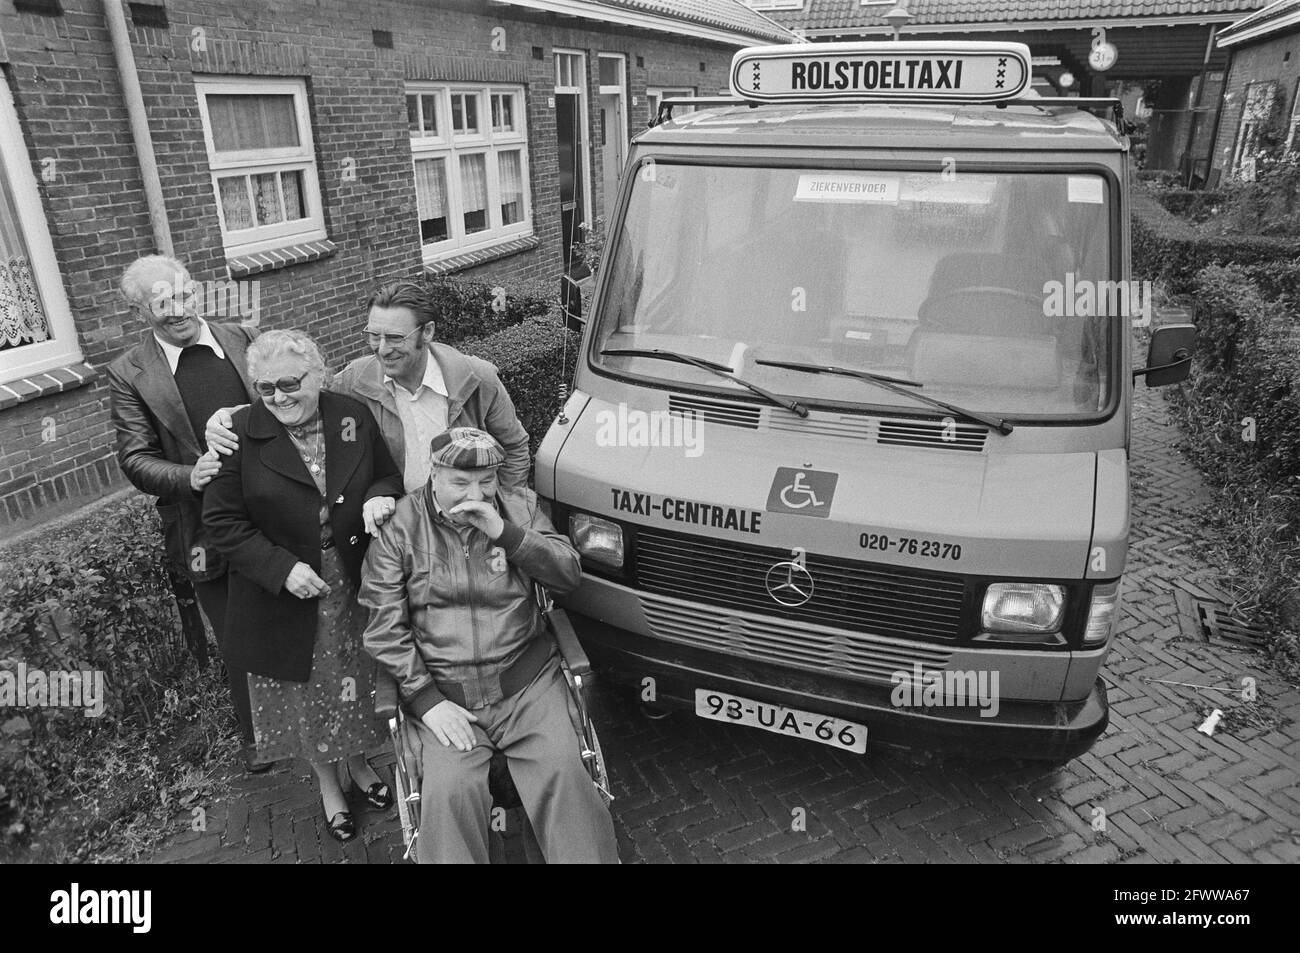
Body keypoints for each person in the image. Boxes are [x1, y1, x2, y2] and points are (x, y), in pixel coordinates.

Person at [359, 427, 619, 864]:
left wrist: (507, 533)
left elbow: (567, 576)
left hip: (526, 684)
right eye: (460, 482)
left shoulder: (519, 507)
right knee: (449, 794)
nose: (474, 494)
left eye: (486, 481)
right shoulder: (399, 529)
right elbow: (384, 628)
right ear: (434, 475)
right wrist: (425, 700)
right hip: (447, 694)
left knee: (563, 773)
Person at [202, 330, 404, 841]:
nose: (278, 397)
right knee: (307, 695)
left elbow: (386, 475)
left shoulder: (351, 416)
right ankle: (328, 787)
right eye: (264, 388)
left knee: (355, 681)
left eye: (289, 383)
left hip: (353, 581)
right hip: (287, 592)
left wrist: (380, 497)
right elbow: (222, 523)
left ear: (318, 373)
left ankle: (359, 765)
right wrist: (279, 569)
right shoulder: (239, 435)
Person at [107, 254, 264, 772]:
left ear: (196, 290)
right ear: (139, 312)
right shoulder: (129, 374)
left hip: (275, 507)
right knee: (238, 631)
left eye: (184, 295)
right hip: (204, 523)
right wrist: (189, 475)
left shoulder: (242, 338)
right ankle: (258, 736)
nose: (178, 310)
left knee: (307, 614)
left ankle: (327, 728)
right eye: (160, 303)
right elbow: (135, 458)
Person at [204, 279, 531, 494]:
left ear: (427, 332)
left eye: (395, 338)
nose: (382, 349)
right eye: (374, 336)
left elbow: (514, 446)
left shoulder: (477, 378)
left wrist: (508, 507)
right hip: (403, 524)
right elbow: (300, 395)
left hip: (470, 513)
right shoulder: (356, 380)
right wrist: (233, 415)